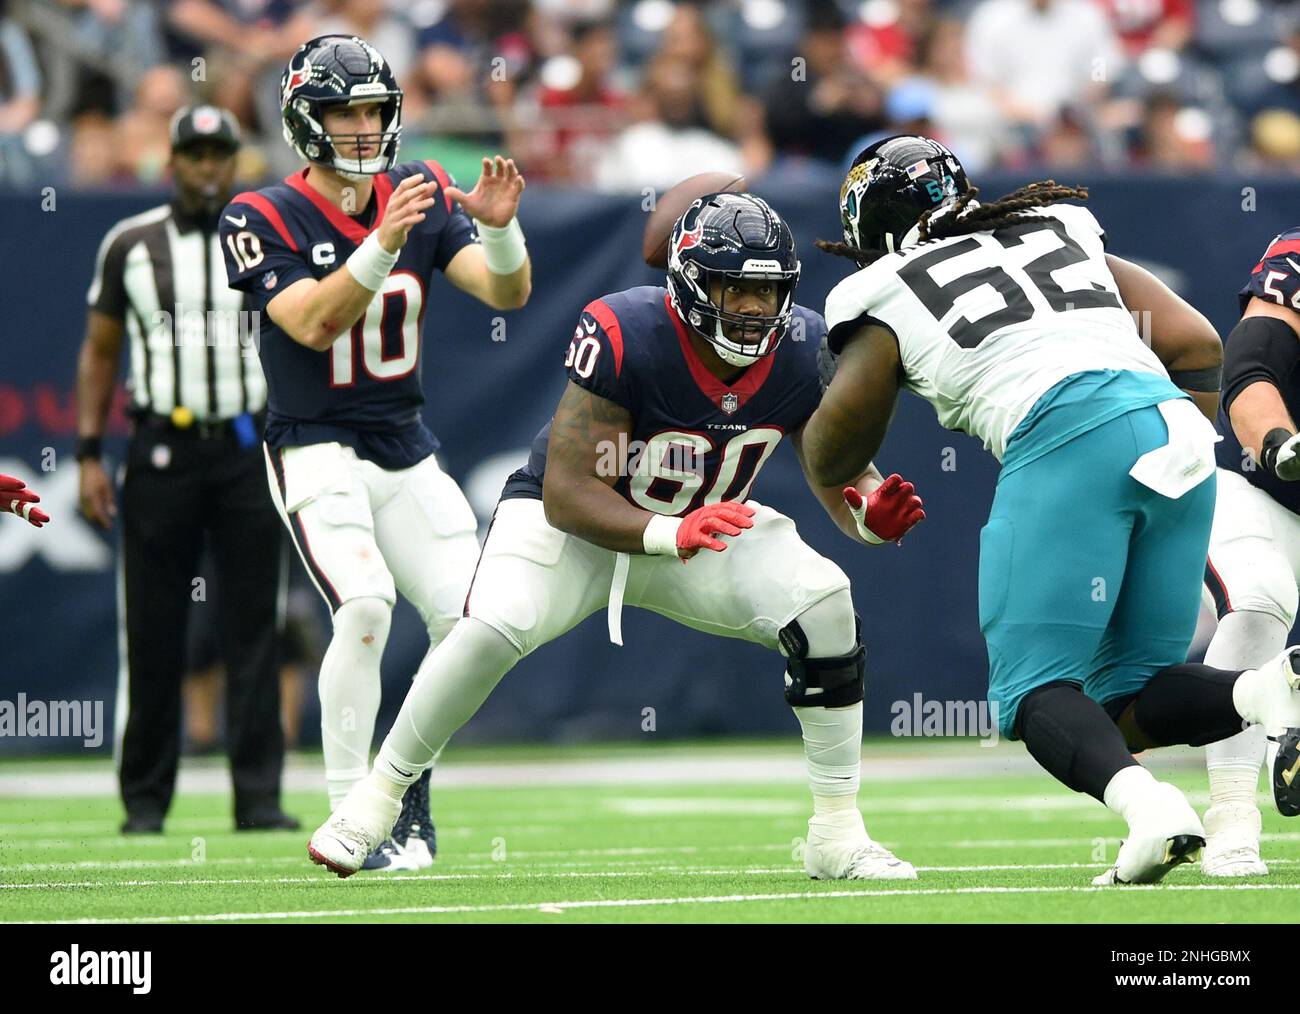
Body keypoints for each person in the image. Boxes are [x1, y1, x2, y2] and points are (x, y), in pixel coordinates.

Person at [307, 193, 926, 881]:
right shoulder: (628, 329)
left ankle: (837, 832)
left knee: (825, 601)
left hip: (702, 531)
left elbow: (835, 472)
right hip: (573, 532)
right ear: (692, 283)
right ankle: (379, 796)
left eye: (767, 290)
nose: (753, 309)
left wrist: (868, 514)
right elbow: (568, 494)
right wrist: (670, 531)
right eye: (736, 289)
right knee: (488, 626)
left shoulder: (804, 347)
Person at [804, 133, 1300, 886]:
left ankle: (1151, 813)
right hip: (1173, 431)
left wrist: (839, 469)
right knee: (1124, 698)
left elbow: (837, 450)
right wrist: (1168, 445)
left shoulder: (878, 289)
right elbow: (1198, 341)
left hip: (1065, 432)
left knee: (1034, 694)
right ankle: (1266, 690)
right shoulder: (1053, 225)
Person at [219, 34, 531, 871]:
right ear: (303, 120)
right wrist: (384, 243)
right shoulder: (260, 214)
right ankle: (350, 816)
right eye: (343, 111)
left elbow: (506, 291)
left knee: (472, 622)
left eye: (373, 110)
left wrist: (500, 234)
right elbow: (314, 323)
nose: (362, 127)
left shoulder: (415, 193)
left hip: (403, 443)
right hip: (314, 442)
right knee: (362, 605)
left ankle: (408, 801)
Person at [76, 105, 295, 835]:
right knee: (152, 628)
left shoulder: (265, 237)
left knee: (254, 627)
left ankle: (258, 799)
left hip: (245, 450)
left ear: (236, 162)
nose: (206, 167)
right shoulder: (130, 243)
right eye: (193, 155)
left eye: (218, 155)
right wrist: (84, 453)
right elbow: (101, 351)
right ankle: (144, 804)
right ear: (172, 162)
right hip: (161, 452)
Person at [1198, 226, 1300, 877]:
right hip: (1261, 487)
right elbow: (1252, 362)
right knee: (1261, 599)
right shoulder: (1293, 260)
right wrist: (1279, 442)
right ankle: (1232, 817)